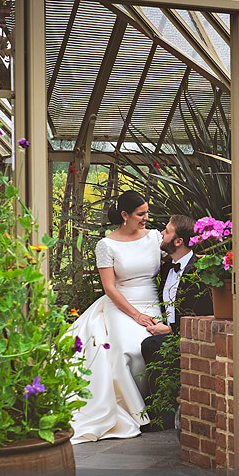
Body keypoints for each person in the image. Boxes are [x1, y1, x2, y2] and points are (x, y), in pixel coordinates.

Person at [69, 190, 170, 444]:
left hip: (152, 301)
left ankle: (156, 405)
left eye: (147, 212)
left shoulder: (155, 237)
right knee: (125, 349)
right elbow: (110, 288)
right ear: (124, 215)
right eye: (140, 214)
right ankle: (137, 414)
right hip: (121, 304)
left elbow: (180, 257)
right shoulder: (106, 245)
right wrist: (136, 316)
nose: (146, 218)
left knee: (150, 345)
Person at [141, 215, 213, 427]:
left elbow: (200, 313)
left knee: (151, 345)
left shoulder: (200, 270)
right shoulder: (166, 268)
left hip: (191, 336)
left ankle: (164, 416)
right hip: (167, 329)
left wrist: (171, 330)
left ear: (178, 241)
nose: (162, 234)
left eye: (167, 231)